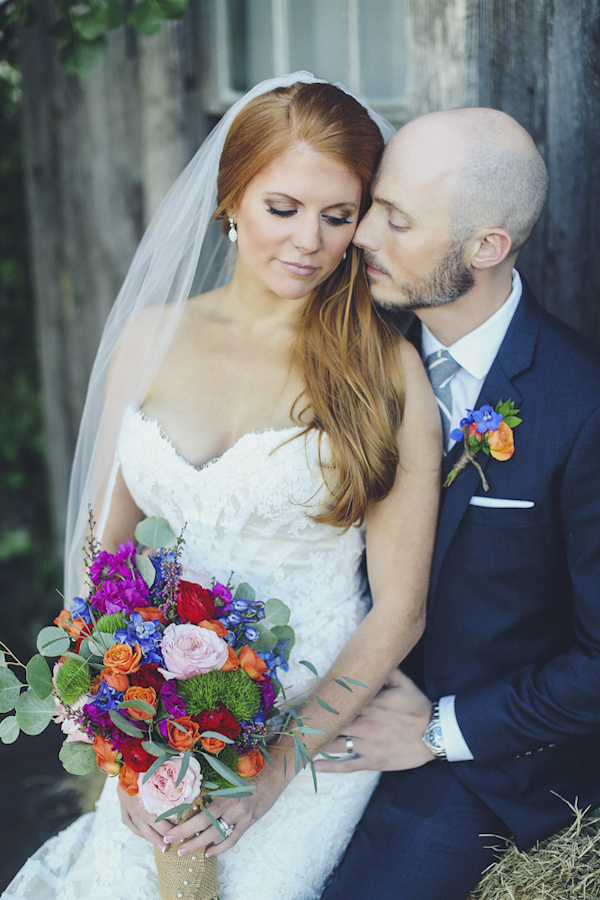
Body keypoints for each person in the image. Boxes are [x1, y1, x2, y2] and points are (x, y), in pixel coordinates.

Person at [2, 74, 441, 900]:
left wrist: (273, 771)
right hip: (161, 719)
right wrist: (127, 746)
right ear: (230, 198)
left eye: (337, 215)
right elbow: (106, 554)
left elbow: (400, 608)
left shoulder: (385, 372)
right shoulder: (150, 335)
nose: (308, 241)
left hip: (311, 725)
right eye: (283, 208)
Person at [316, 106, 600, 900]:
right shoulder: (353, 345)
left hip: (474, 768)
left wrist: (440, 731)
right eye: (373, 205)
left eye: (397, 219)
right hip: (320, 704)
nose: (363, 234)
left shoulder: (581, 409)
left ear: (486, 247)